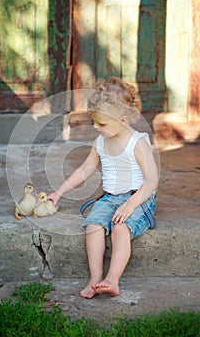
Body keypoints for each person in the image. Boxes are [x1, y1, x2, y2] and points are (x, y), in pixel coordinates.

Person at [48, 77, 159, 299]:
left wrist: (132, 203)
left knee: (120, 227)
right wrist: (58, 193)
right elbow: (85, 168)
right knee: (93, 225)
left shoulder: (137, 143)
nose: (96, 128)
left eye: (102, 124)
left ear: (124, 120)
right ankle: (95, 278)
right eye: (95, 122)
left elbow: (152, 180)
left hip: (139, 197)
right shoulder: (100, 142)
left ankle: (113, 279)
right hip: (109, 198)